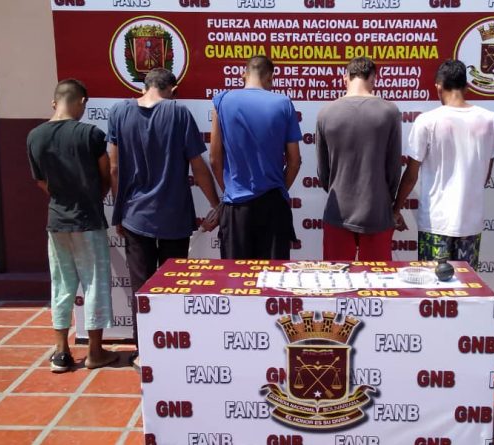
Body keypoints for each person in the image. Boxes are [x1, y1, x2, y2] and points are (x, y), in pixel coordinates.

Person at [107, 68, 220, 366]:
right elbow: (198, 166)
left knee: (141, 286)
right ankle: (171, 347)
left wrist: (119, 213)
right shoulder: (179, 113)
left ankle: (144, 351)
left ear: (144, 86)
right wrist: (217, 205)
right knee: (173, 286)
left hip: (134, 215)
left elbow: (114, 168)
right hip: (174, 216)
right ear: (173, 88)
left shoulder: (119, 112)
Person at [27, 79, 119, 373]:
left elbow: (41, 181)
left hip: (56, 220)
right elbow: (106, 174)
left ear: (55, 103)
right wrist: (93, 197)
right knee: (95, 284)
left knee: (61, 285)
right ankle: (95, 352)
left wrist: (62, 198)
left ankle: (61, 352)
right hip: (88, 219)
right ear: (82, 102)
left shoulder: (34, 136)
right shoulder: (90, 134)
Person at [393, 59, 494, 268]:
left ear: (438, 87)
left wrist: (396, 209)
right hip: (471, 221)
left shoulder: (426, 120)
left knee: (432, 284)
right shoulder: (491, 120)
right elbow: (486, 174)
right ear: (467, 87)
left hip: (436, 221)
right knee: (467, 284)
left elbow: (411, 174)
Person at [209, 55, 302, 260]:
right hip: (273, 204)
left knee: (236, 275)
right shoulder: (283, 103)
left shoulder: (222, 101)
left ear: (244, 75)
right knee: (273, 275)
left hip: (236, 206)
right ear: (270, 77)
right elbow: (295, 161)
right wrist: (280, 188)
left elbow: (215, 158)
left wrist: (229, 190)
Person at [315, 57, 402, 261]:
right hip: (377, 210)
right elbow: (394, 169)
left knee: (336, 277)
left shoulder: (325, 113)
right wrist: (386, 200)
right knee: (377, 277)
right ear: (373, 78)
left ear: (345, 78)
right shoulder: (389, 111)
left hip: (338, 211)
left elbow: (323, 172)